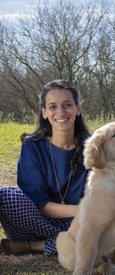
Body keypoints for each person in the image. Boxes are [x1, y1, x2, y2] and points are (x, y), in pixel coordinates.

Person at [0, 79, 91, 256]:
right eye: (52, 106)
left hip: (79, 223)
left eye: (67, 105)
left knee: (101, 225)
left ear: (78, 108)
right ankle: (73, 244)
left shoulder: (94, 148)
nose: (60, 112)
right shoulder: (32, 146)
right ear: (44, 112)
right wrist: (87, 209)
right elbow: (41, 205)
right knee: (5, 197)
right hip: (34, 222)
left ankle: (32, 246)